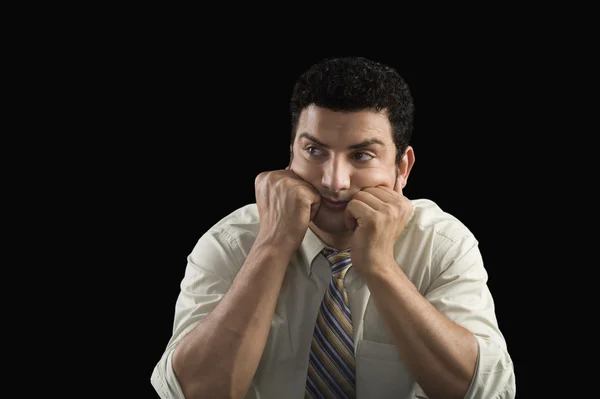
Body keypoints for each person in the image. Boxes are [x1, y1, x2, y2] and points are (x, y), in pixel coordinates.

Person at [150, 56, 516, 399]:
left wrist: (380, 267)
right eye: (315, 151)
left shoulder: (442, 244)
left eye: (361, 155)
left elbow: (484, 390)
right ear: (291, 153)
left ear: (402, 168)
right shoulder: (229, 243)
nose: (334, 181)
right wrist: (272, 246)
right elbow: (189, 392)